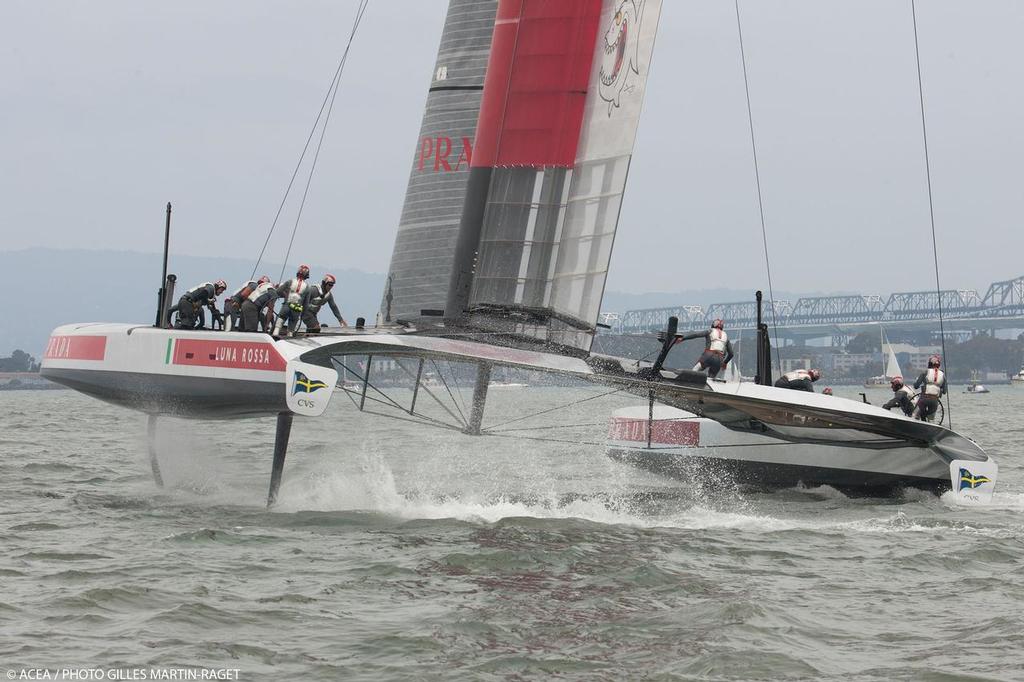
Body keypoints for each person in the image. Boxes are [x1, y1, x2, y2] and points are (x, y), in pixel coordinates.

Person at [273, 264, 313, 338]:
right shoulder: (307, 287)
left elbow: (278, 291)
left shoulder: (290, 281)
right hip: (297, 309)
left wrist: (285, 295)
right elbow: (306, 304)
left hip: (286, 305)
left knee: (281, 318)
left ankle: (275, 333)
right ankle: (290, 336)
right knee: (292, 324)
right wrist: (303, 315)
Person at [912, 355, 946, 422]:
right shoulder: (943, 375)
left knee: (915, 415)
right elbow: (944, 391)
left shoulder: (925, 372)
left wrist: (917, 384)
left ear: (929, 364)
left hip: (924, 399)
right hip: (935, 401)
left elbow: (916, 386)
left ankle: (920, 419)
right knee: (930, 418)